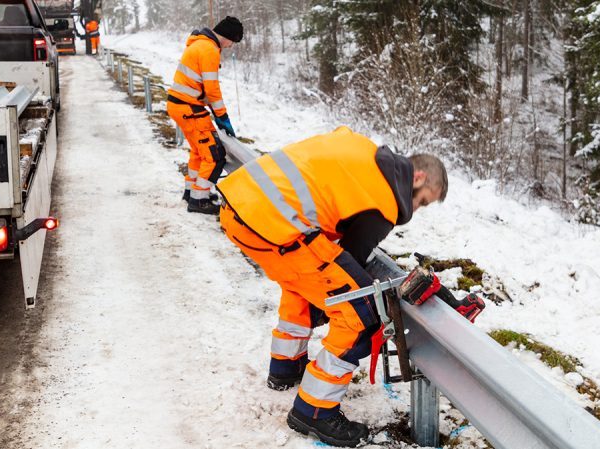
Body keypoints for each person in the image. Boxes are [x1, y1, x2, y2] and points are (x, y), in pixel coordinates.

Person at [217, 126, 448, 447]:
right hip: (275, 224)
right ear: (418, 177)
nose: (416, 210)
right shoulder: (386, 199)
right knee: (361, 310)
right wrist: (337, 303)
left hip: (240, 206)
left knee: (302, 280)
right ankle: (315, 411)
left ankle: (285, 368)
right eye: (422, 202)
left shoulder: (362, 150)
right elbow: (351, 261)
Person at [167, 16, 243, 215]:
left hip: (182, 106)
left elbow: (200, 85)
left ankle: (192, 192)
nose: (230, 46)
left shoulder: (199, 44)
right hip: (188, 108)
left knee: (199, 151)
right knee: (214, 155)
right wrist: (222, 116)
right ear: (226, 37)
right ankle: (199, 200)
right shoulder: (209, 49)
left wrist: (214, 112)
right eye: (232, 42)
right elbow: (212, 88)